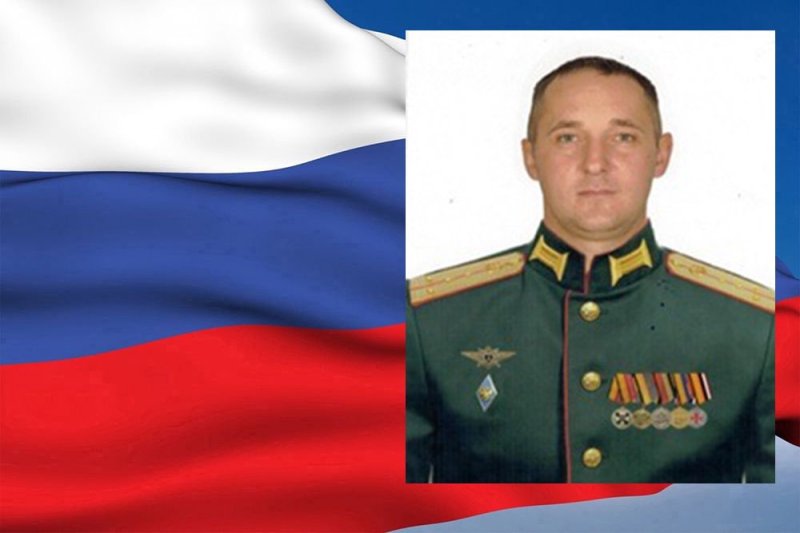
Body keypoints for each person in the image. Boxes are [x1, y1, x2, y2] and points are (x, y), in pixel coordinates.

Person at [406, 56, 775, 483]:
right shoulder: (429, 321)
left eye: (623, 137)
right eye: (567, 138)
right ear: (531, 157)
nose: (595, 163)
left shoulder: (756, 330)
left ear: (661, 154)